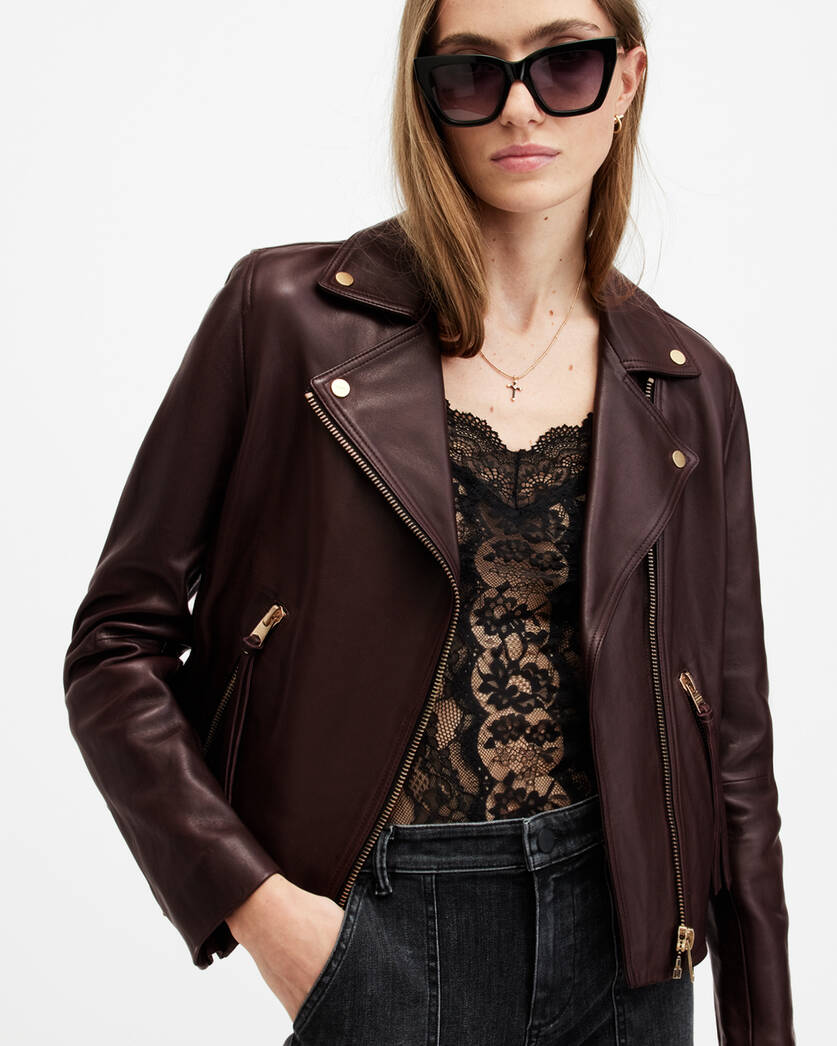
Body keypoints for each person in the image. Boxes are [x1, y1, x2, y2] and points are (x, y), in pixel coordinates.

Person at [63, 1, 796, 1044]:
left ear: (626, 79)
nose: (520, 108)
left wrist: (763, 1028)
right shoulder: (285, 317)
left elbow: (734, 746)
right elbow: (115, 650)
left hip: (629, 957)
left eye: (565, 64)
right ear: (426, 95)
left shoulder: (685, 385)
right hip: (384, 934)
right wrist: (262, 911)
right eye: (472, 73)